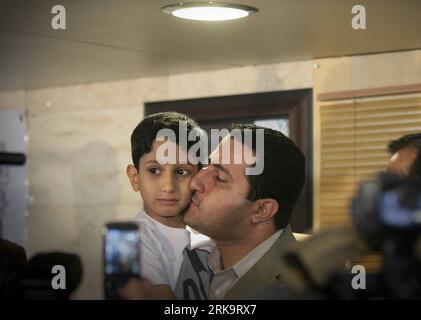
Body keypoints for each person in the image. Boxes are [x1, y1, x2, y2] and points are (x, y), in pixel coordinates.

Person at [126, 112, 212, 300]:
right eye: (154, 170)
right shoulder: (134, 238)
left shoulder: (208, 235)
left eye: (181, 171)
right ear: (135, 178)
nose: (168, 187)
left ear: (199, 178)